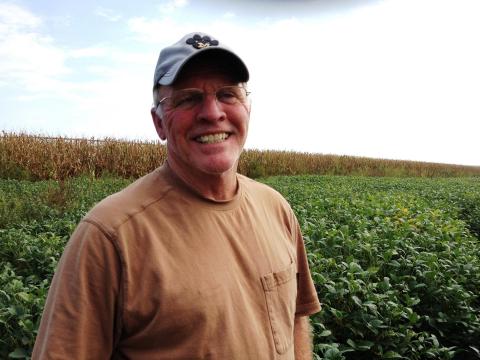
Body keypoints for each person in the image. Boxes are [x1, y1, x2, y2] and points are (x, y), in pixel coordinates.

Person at [32, 32, 321, 359]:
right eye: (187, 98)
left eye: (228, 94)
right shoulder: (111, 235)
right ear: (159, 123)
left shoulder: (276, 208)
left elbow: (296, 317)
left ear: (247, 108)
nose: (212, 113)